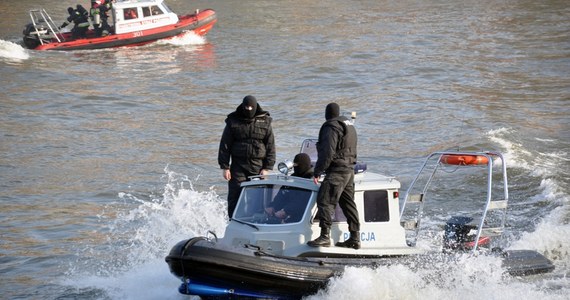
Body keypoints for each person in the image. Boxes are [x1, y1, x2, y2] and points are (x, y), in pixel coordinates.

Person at [307, 103, 360, 249]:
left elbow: (327, 151)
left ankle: (325, 236)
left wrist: (317, 171)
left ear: (327, 114)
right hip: (349, 170)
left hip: (337, 171)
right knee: (348, 204)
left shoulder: (331, 126)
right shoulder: (349, 125)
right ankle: (355, 238)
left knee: (325, 201)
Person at [219, 95, 276, 218]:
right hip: (238, 166)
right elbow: (225, 145)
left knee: (258, 197)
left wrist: (267, 168)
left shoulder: (265, 121)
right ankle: (233, 221)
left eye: (251, 107)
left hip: (258, 166)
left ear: (255, 107)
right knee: (235, 195)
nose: (249, 109)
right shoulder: (233, 120)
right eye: (246, 107)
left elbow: (270, 146)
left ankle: (256, 221)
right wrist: (225, 167)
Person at [265, 153, 313, 222]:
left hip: (304, 216)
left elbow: (302, 201)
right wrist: (273, 206)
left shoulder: (311, 181)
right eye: (295, 165)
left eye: (297, 166)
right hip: (289, 212)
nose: (296, 168)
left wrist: (286, 211)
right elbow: (283, 194)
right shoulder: (294, 178)